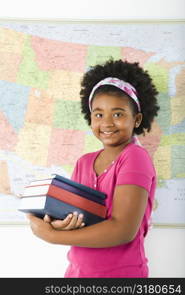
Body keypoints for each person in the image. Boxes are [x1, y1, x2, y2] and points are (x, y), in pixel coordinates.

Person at [27, 59, 160, 278]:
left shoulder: (135, 157)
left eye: (117, 114)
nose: (107, 123)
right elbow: (73, 217)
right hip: (77, 274)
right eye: (98, 114)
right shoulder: (83, 162)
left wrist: (52, 236)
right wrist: (51, 223)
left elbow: (123, 230)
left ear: (136, 119)